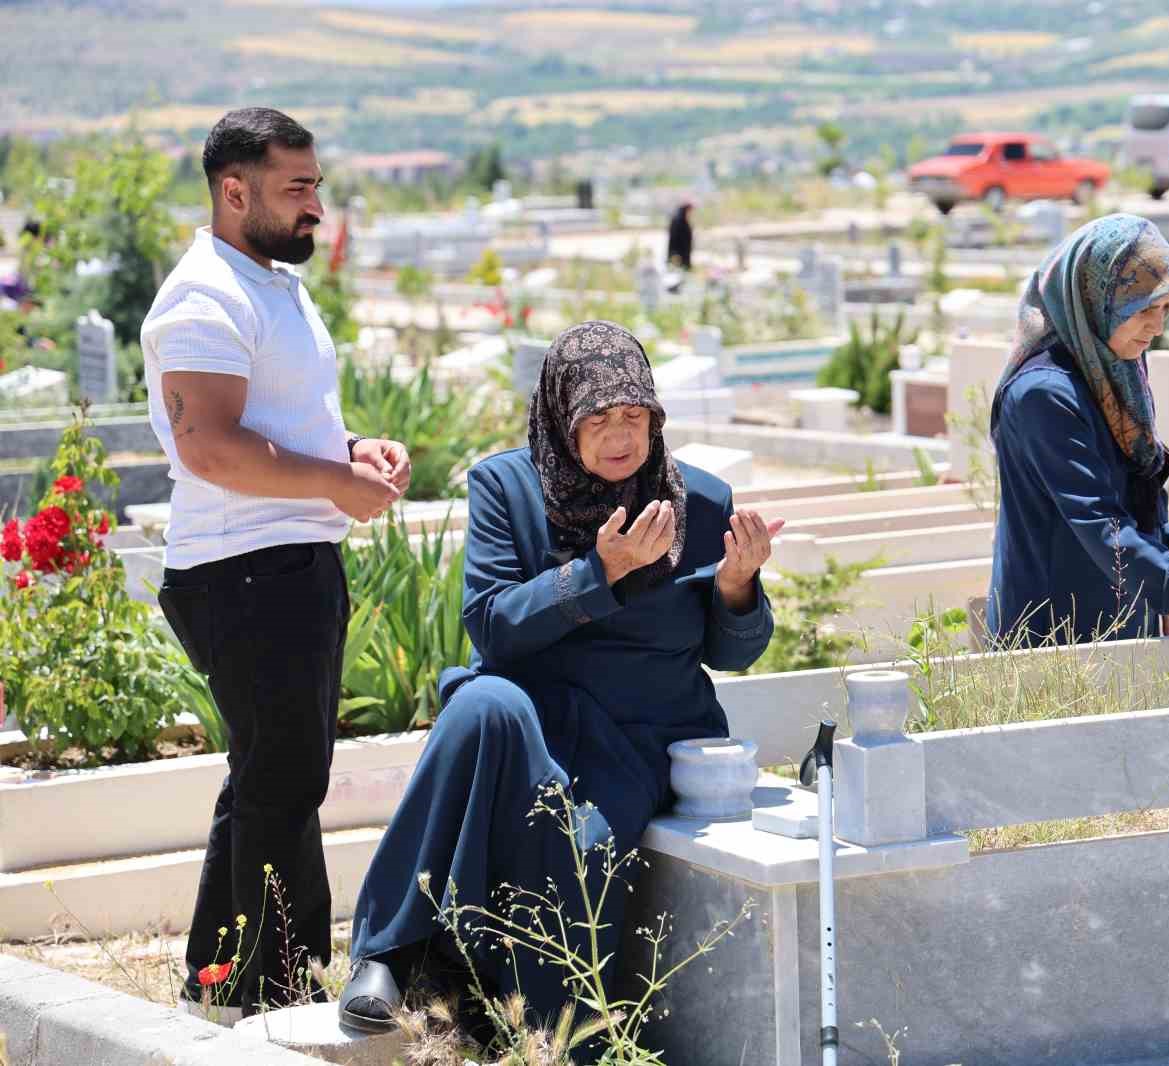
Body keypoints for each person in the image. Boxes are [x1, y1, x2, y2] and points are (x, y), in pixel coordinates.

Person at [338, 320, 780, 1035]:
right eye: (598, 419)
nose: (619, 437)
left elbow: (735, 654)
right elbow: (491, 625)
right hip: (530, 721)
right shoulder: (506, 487)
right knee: (479, 701)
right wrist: (597, 575)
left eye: (634, 417)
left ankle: (533, 1021)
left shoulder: (700, 501)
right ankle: (387, 951)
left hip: (638, 738)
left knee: (587, 849)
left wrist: (737, 586)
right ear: (560, 418)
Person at [141, 107, 412, 1019]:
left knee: (279, 773)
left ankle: (242, 980)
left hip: (284, 563)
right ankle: (259, 989)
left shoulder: (268, 282)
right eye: (296, 188)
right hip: (241, 570)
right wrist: (333, 482)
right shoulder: (202, 297)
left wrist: (353, 451)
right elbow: (210, 449)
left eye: (315, 185)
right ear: (233, 190)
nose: (315, 207)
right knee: (281, 776)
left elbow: (282, 426)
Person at [986, 215, 1169, 647]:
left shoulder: (1112, 371)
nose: (1158, 327)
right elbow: (1099, 520)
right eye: (1143, 309)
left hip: (1122, 617)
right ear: (1095, 299)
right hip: (1055, 634)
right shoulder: (1044, 394)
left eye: (1165, 307)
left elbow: (1142, 485)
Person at [666, 202, 693, 271]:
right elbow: (674, 240)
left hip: (683, 254)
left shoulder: (684, 221)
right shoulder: (678, 221)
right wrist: (675, 254)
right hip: (677, 255)